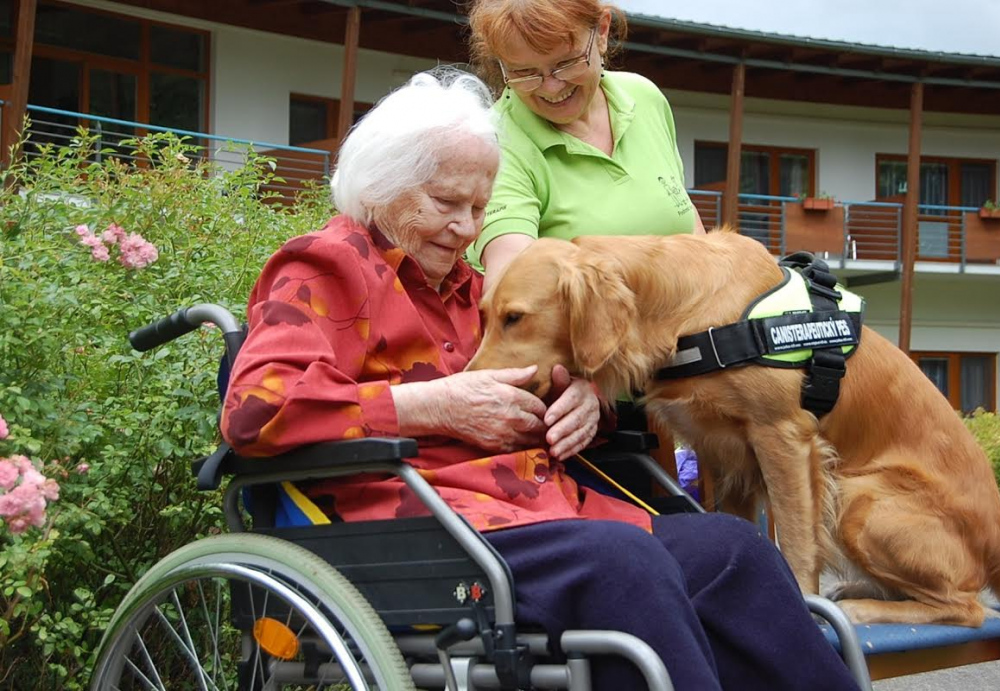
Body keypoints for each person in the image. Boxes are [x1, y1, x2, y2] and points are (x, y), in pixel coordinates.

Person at [220, 68, 859, 691]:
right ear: (382, 190)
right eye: (446, 203)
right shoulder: (327, 267)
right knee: (621, 566)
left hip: (542, 517)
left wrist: (587, 402)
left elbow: (535, 382)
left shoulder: (471, 291)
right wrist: (430, 405)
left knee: (732, 549)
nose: (467, 228)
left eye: (478, 207)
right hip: (420, 532)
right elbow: (252, 411)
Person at [465, 0, 706, 285]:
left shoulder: (644, 97)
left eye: (566, 64)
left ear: (602, 32)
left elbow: (689, 226)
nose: (551, 87)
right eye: (523, 72)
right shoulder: (494, 141)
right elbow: (510, 276)